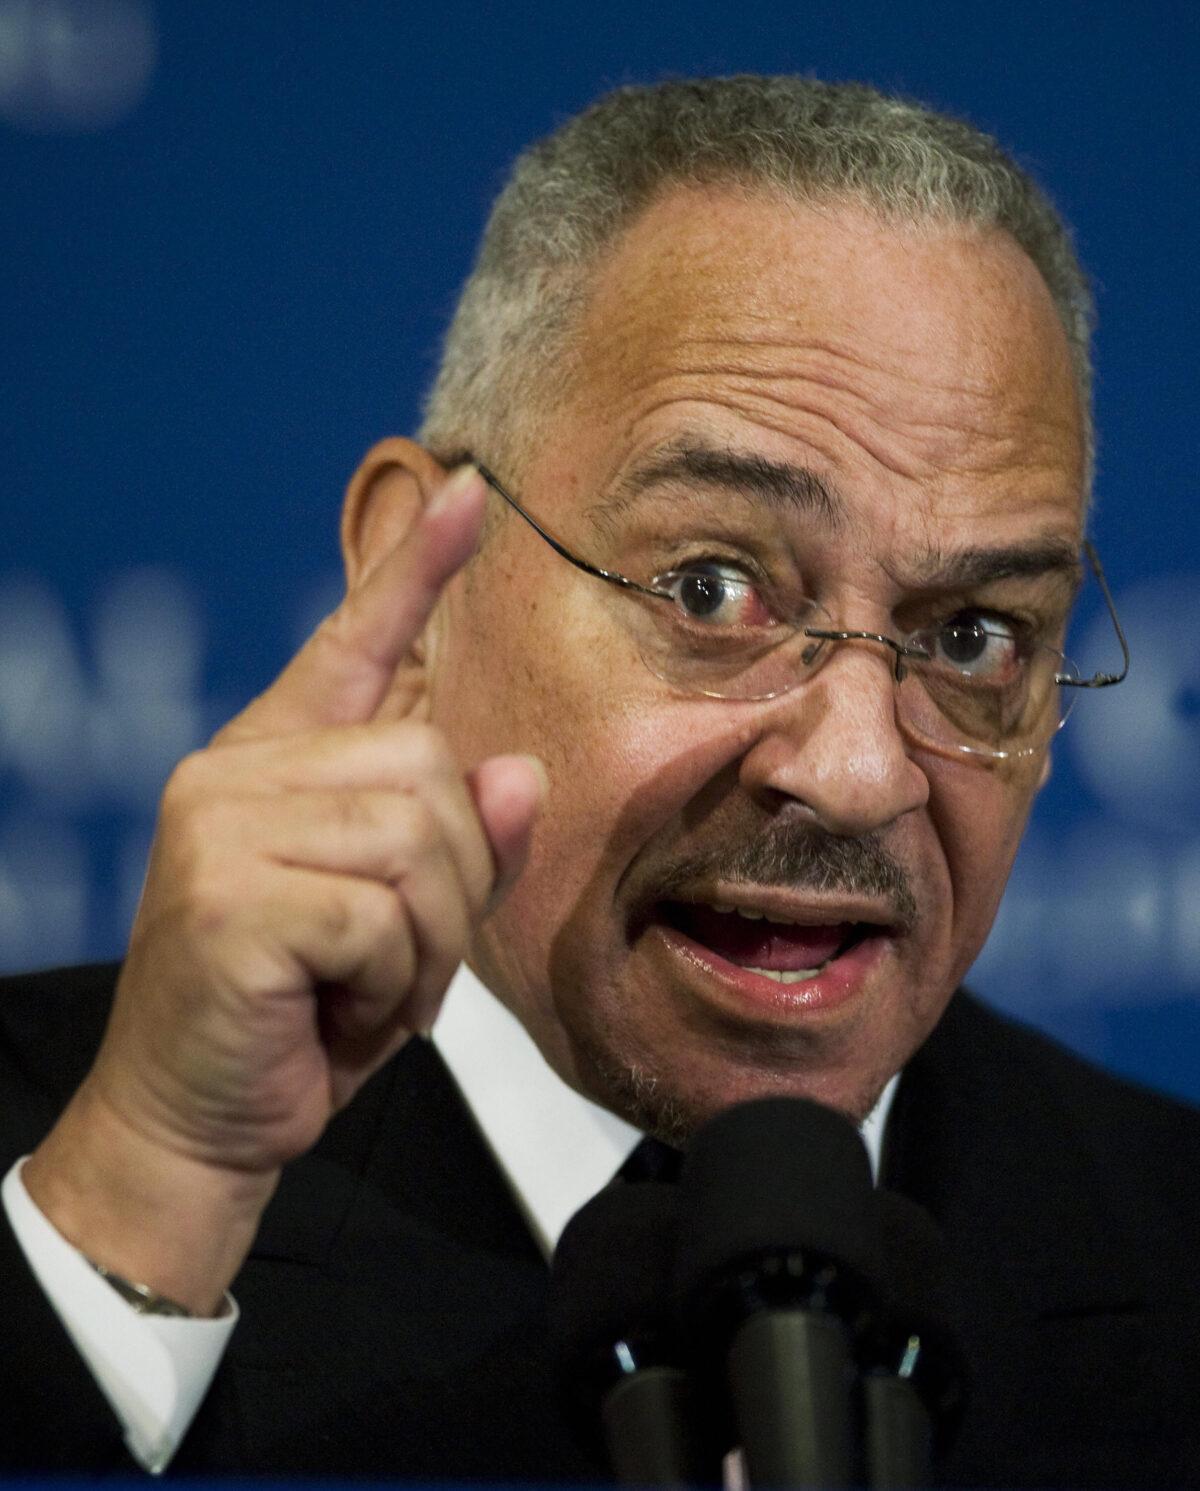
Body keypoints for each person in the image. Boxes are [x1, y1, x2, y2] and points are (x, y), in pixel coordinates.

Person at [3, 75, 1199, 1486]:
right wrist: (150, 1205)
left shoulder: (1172, 1245)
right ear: (422, 576)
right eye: (713, 587)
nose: (861, 770)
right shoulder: (81, 1175)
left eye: (974, 637)